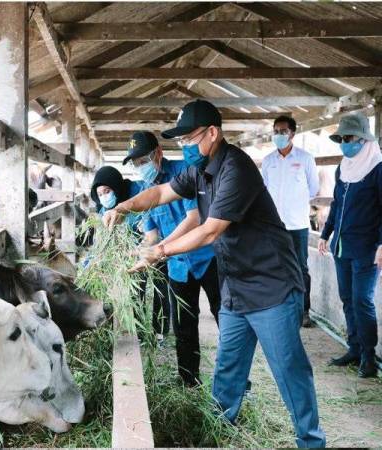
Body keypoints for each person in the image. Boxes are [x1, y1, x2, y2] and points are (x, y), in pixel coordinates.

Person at [104, 100, 325, 448]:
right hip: (236, 285)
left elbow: (210, 230)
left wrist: (158, 251)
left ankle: (310, 441)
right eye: (181, 142)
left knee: (289, 370)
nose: (185, 147)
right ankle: (218, 432)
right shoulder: (200, 169)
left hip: (271, 286)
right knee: (228, 369)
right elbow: (162, 192)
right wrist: (123, 206)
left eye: (189, 138)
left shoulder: (236, 167)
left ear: (212, 133)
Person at [122, 130, 221, 387]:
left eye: (143, 160)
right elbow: (151, 235)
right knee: (184, 324)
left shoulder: (184, 172)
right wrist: (132, 253)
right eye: (135, 163)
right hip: (178, 264)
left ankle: (238, 381)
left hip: (206, 256)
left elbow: (193, 219)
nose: (140, 167)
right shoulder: (146, 189)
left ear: (158, 153)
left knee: (226, 318)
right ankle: (188, 378)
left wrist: (160, 250)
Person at [318, 113, 381, 379]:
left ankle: (369, 355)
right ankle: (354, 348)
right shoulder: (343, 168)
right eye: (342, 139)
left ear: (364, 139)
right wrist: (325, 233)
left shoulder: (377, 168)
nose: (345, 143)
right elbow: (335, 204)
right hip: (342, 246)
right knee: (347, 299)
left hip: (368, 247)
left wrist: (381, 244)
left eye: (350, 138)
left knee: (362, 300)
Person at [90, 165, 170, 344]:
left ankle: (160, 332)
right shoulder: (105, 212)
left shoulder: (138, 193)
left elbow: (153, 227)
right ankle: (139, 331)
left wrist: (147, 246)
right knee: (136, 291)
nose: (104, 197)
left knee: (161, 289)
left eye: (107, 191)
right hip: (132, 253)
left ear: (116, 187)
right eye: (100, 194)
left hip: (157, 246)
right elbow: (100, 242)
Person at [262, 115, 319, 327]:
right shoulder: (268, 161)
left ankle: (303, 311)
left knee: (300, 268)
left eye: (282, 131)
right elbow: (263, 191)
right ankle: (277, 308)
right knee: (273, 266)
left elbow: (313, 189)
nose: (278, 135)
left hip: (298, 225)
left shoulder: (305, 159)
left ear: (292, 134)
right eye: (275, 131)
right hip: (274, 225)